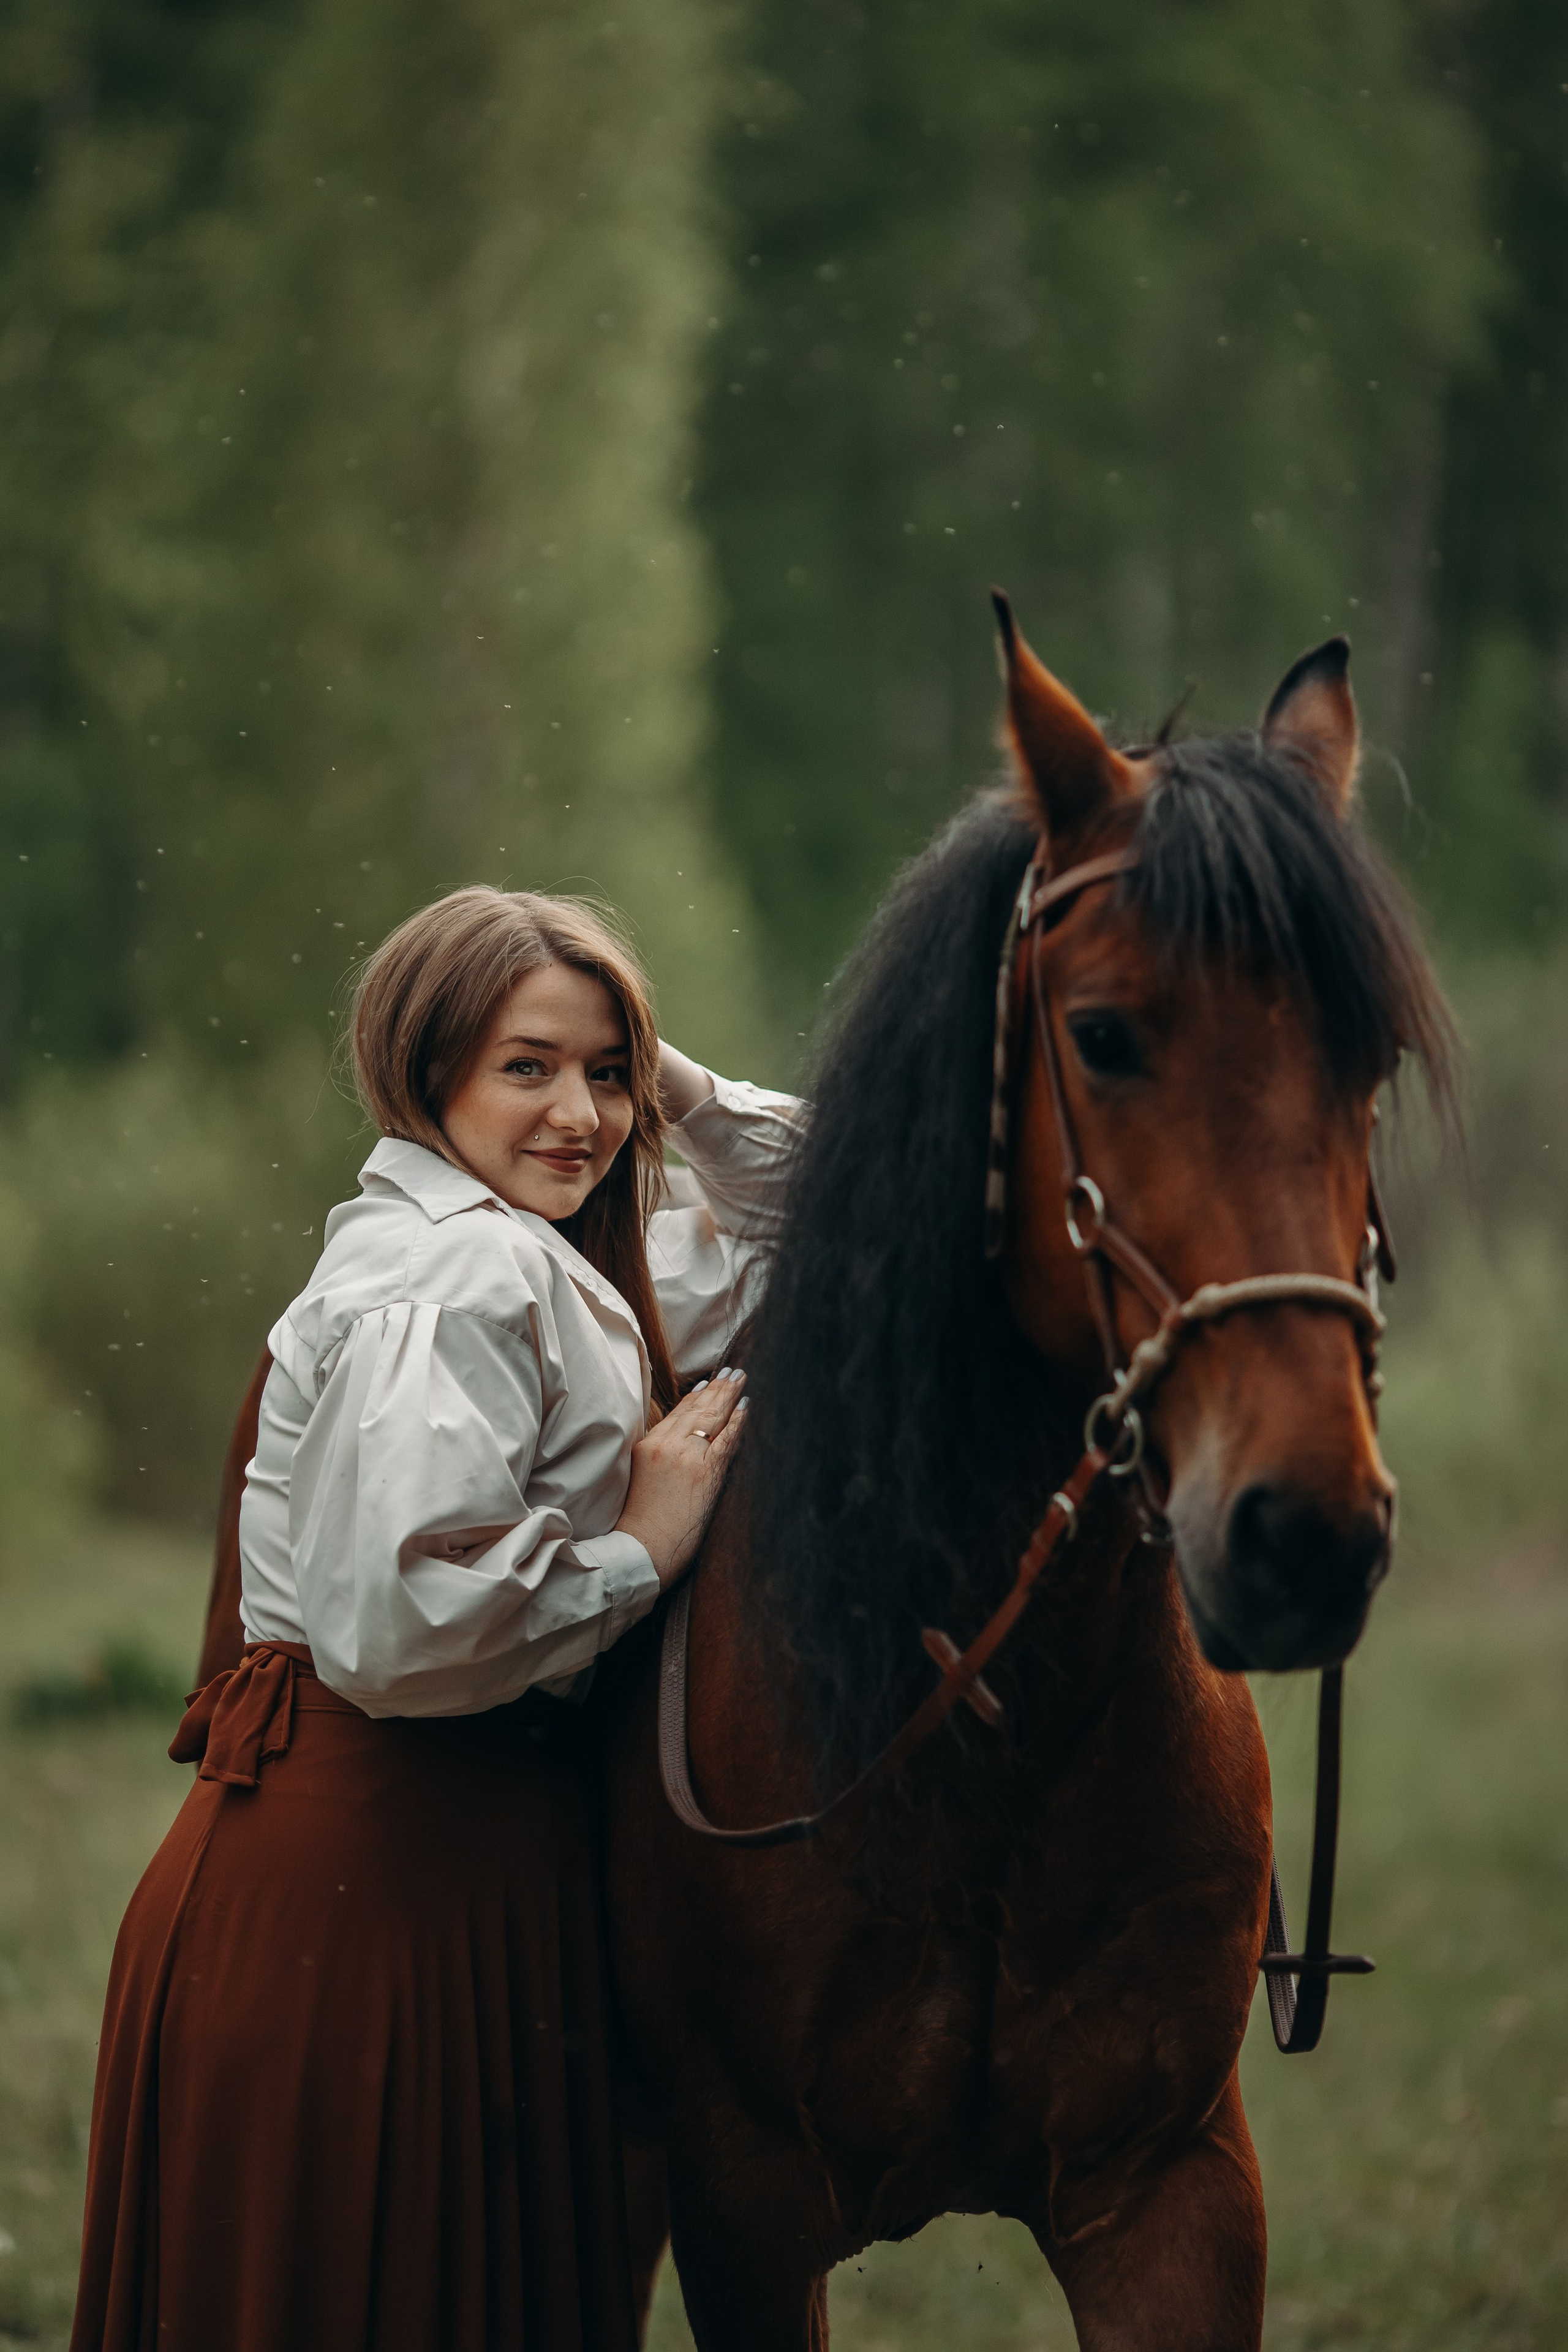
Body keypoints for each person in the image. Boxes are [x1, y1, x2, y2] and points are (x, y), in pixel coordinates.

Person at [70, 887, 804, 2352]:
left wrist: (676, 1082)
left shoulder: (542, 1249)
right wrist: (642, 1552)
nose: (579, 1115)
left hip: (436, 1878)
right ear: (428, 1071)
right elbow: (403, 1631)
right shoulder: (456, 1270)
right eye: (523, 1066)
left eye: (604, 1073)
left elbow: (838, 1202)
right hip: (371, 1890)